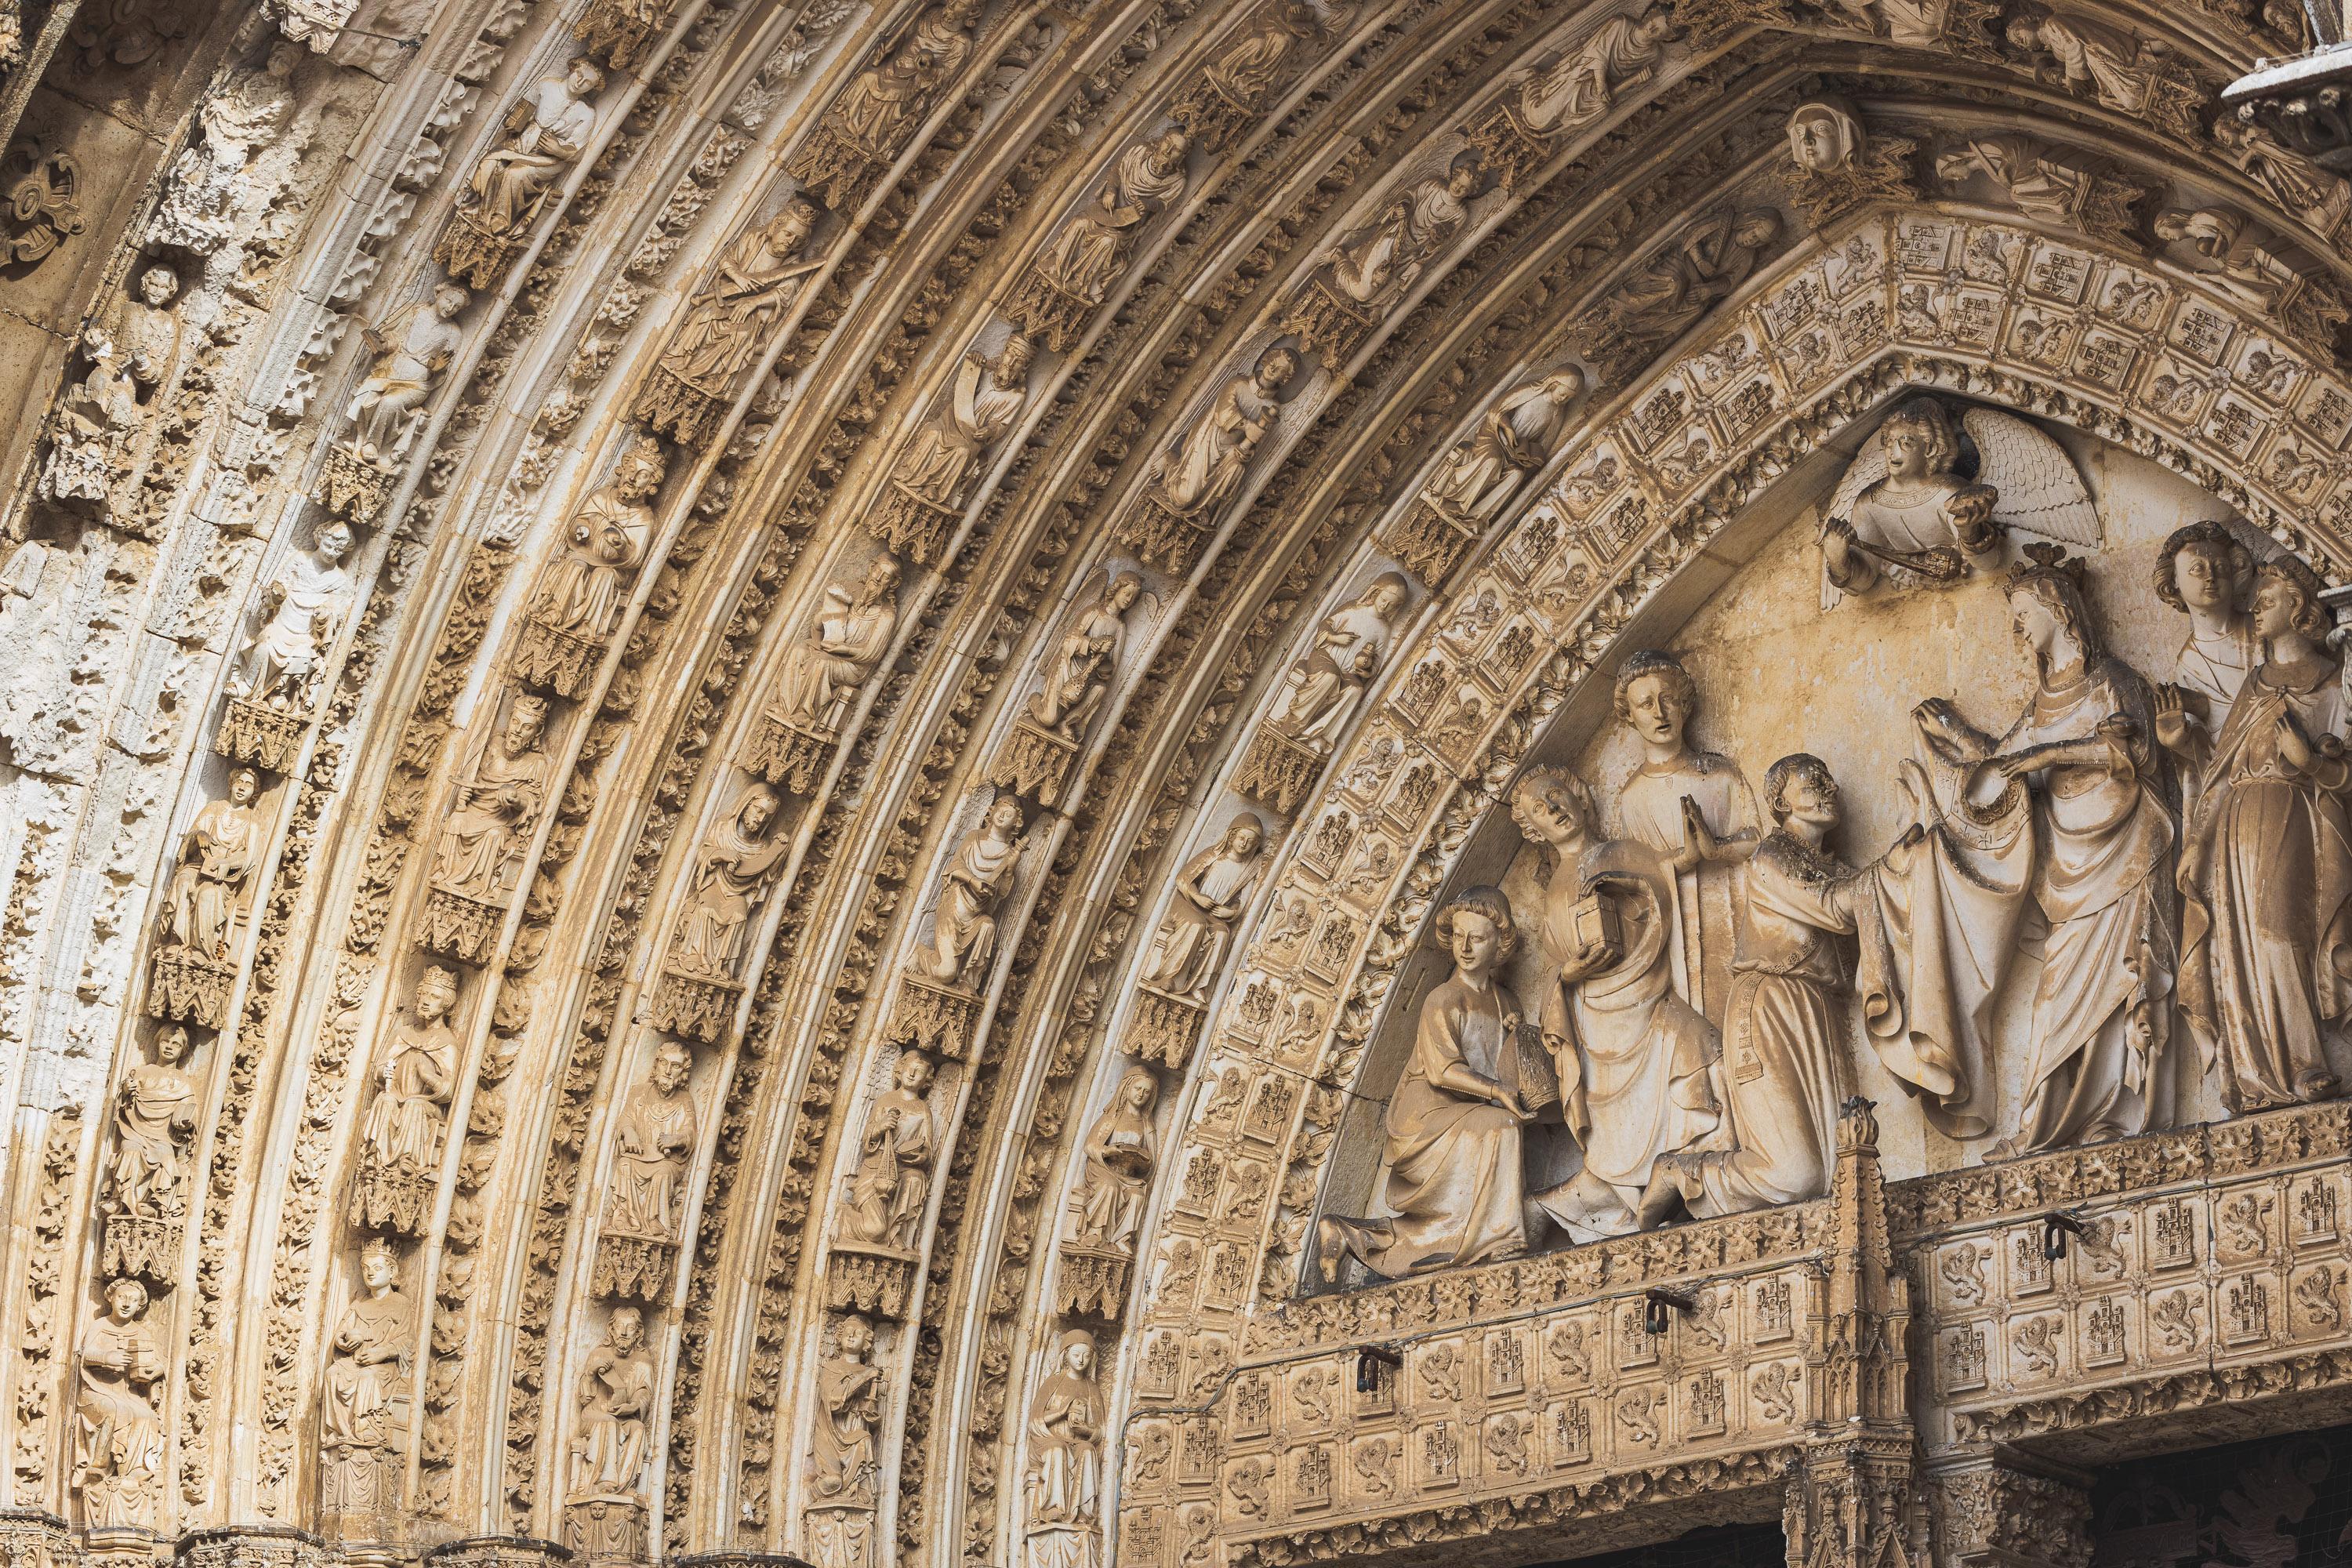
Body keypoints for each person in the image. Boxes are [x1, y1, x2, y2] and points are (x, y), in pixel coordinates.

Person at [1922, 545, 2176, 1157]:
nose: (2017, 627)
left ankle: (2116, 1116)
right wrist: (1956, 735)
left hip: (2123, 857)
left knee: (2118, 985)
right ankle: (2044, 1122)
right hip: (2068, 868)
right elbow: (2004, 760)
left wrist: (2045, 756)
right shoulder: (2041, 704)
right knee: (2056, 994)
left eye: (2024, 613)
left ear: (2058, 609)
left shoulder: (2114, 683)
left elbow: (2136, 754)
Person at [1649, 756, 1922, 1220]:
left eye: (1828, 776)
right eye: (1812, 781)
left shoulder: (1829, 866)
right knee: (1796, 1175)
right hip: (1769, 1006)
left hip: (1815, 1010)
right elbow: (1836, 907)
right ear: (1779, 801)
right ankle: (1683, 1172)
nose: (1828, 786)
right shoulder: (1773, 857)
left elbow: (1859, 893)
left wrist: (1904, 866)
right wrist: (1890, 866)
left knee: (1840, 1178)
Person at [2176, 556, 2351, 1112]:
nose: (2254, 606)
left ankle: (2304, 1061)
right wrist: (2199, 840)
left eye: (2268, 598)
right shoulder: (2255, 683)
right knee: (2237, 942)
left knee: (2281, 932)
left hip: (2293, 810)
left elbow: (2344, 769)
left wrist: (2309, 761)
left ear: (2299, 606)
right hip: (2236, 821)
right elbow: (2222, 770)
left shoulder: (2331, 678)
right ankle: (2251, 1072)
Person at [1512, 768, 1718, 1237]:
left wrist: (1693, 850)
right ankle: (1624, 1197)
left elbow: (1665, 874)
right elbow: (1554, 971)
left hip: (1650, 995)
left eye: (1556, 795)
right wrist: (1571, 974)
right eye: (1540, 811)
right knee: (1612, 1128)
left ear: (1579, 793)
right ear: (1535, 831)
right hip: (1596, 1020)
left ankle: (1684, 1174)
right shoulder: (1553, 894)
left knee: (1701, 1044)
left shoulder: (1622, 853)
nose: (1554, 810)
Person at [1316, 887, 1544, 1275]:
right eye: (1459, 936)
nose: (1466, 947)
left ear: (1500, 944)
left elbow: (1505, 1063)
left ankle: (1354, 1234)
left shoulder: (1507, 1002)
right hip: (1429, 1115)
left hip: (1470, 1111)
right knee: (1501, 1126)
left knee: (1498, 1136)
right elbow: (1442, 1071)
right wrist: (1497, 1092)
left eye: (1478, 937)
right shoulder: (1443, 998)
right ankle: (1500, 1237)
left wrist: (1520, 1039)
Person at [1612, 650, 1758, 1025]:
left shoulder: (1721, 774)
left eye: (1668, 699)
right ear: (1630, 715)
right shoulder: (1633, 798)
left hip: (1734, 909)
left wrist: (1718, 849)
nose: (1659, 713)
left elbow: (1757, 839)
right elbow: (1639, 883)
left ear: (1685, 704)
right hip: (1679, 937)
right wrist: (1681, 860)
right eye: (1646, 704)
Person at [1138, 816, 1265, 1000]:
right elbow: (1183, 878)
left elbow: (1241, 900)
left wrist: (1232, 912)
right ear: (1232, 836)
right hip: (1188, 902)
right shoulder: (1214, 855)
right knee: (1196, 925)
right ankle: (1170, 978)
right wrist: (1198, 896)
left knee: (1222, 934)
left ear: (1255, 846)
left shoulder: (1248, 870)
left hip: (1213, 913)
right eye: (1241, 838)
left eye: (1250, 842)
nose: (1244, 844)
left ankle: (1200, 985)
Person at [669, 784, 789, 979]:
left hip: (738, 891)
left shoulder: (762, 845)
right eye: (758, 810)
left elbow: (766, 875)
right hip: (715, 883)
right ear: (746, 805)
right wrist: (720, 855)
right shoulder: (724, 829)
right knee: (706, 910)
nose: (760, 819)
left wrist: (778, 851)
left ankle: (721, 967)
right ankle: (695, 956)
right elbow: (703, 854)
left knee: (738, 914)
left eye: (767, 817)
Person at [916, 794, 1025, 985]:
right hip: (954, 909)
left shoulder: (1009, 854)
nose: (1001, 816)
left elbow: (1002, 893)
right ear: (992, 812)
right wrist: (974, 880)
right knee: (945, 973)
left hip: (977, 914)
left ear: (1016, 823)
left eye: (1008, 815)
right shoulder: (974, 837)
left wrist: (1010, 869)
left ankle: (968, 982)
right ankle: (919, 953)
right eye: (1000, 810)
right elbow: (954, 866)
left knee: (989, 925)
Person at [842, 1051, 936, 1249]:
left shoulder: (923, 1109)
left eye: (918, 1071)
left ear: (926, 1080)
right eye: (909, 1068)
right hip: (877, 1169)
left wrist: (920, 1157)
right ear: (899, 1070)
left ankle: (894, 1232)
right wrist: (880, 1127)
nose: (911, 1074)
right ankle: (846, 1218)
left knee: (916, 1178)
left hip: (902, 1167)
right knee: (874, 1231)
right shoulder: (886, 1100)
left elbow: (927, 1147)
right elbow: (867, 1141)